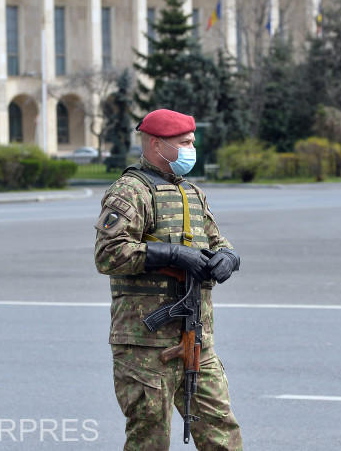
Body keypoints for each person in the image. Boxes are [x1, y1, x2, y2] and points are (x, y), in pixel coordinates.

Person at [94, 108, 243, 451]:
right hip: (146, 347)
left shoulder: (191, 192)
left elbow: (217, 240)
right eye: (185, 142)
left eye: (192, 142)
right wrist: (172, 255)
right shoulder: (130, 191)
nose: (192, 149)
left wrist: (228, 258)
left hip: (196, 339)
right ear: (156, 144)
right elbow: (108, 254)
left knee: (223, 434)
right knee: (150, 440)